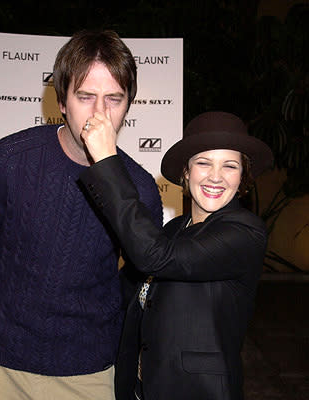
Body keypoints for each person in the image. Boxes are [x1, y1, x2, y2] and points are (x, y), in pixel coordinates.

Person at [0, 30, 163, 399]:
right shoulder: (8, 161)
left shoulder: (139, 187)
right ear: (62, 101)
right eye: (85, 97)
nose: (99, 114)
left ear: (128, 105)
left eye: (114, 99)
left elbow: (140, 282)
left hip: (86, 369)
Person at [79, 110, 274, 400]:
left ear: (242, 175)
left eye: (230, 166)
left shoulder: (246, 233)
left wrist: (107, 161)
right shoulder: (172, 230)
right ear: (186, 171)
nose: (216, 177)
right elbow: (124, 292)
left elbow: (154, 256)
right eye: (204, 163)